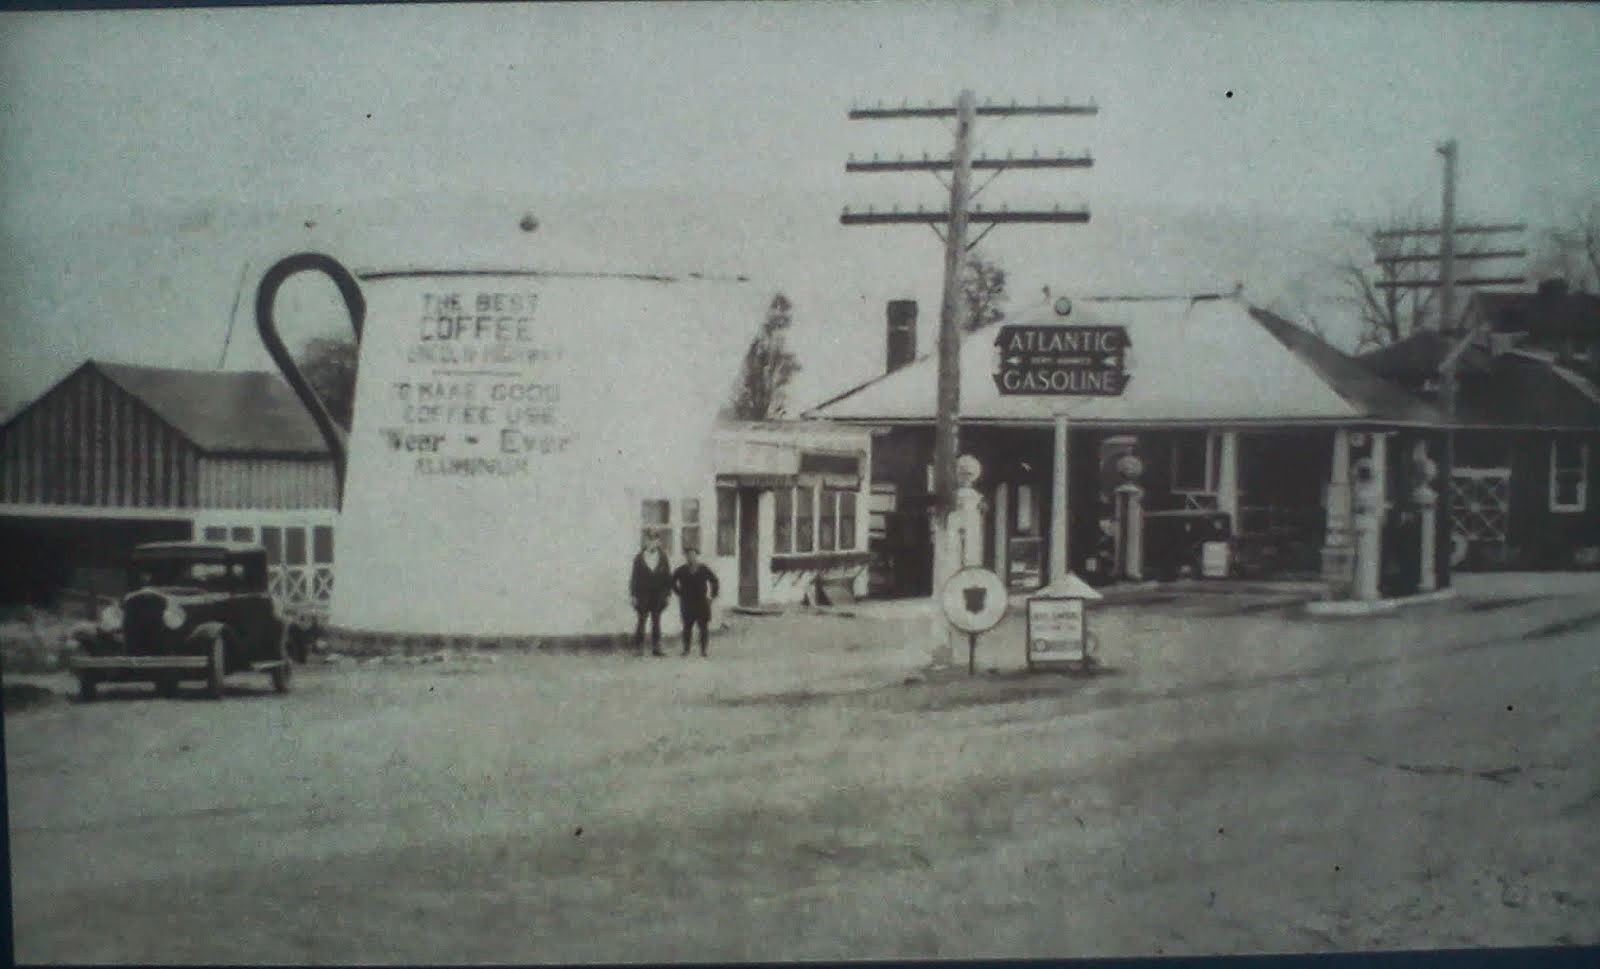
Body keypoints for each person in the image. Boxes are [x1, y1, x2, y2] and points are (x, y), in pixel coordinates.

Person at [672, 546, 720, 657]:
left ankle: (703, 650)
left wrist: (712, 596)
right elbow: (672, 581)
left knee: (703, 627)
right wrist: (679, 593)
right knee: (687, 627)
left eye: (693, 555)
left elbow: (714, 580)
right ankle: (686, 649)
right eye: (688, 555)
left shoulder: (703, 569)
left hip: (702, 602)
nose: (691, 557)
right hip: (687, 603)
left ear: (696, 556)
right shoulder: (681, 570)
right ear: (686, 557)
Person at [629, 535, 673, 656]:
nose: (652, 543)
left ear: (658, 542)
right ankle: (638, 648)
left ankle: (656, 648)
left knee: (656, 620)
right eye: (650, 540)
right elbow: (634, 578)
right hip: (643, 593)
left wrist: (668, 594)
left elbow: (668, 577)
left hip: (658, 594)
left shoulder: (663, 557)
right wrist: (633, 595)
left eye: (655, 540)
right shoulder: (639, 558)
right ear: (646, 542)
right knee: (642, 620)